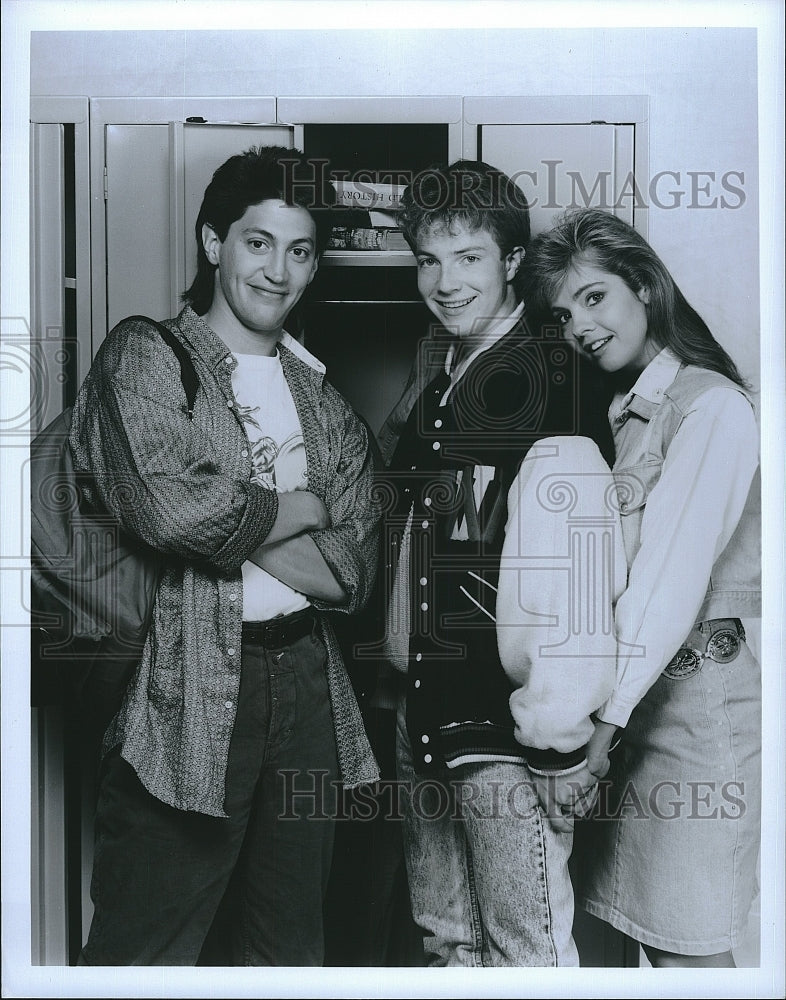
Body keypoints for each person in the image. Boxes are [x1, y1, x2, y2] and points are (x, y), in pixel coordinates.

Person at [68, 145, 380, 966]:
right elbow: (165, 510)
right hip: (187, 678)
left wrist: (232, 513)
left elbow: (353, 574)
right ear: (213, 243)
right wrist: (294, 509)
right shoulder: (146, 355)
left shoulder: (324, 401)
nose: (278, 270)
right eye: (257, 242)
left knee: (288, 949)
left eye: (300, 249)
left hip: (307, 685)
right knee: (147, 945)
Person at [377, 160, 621, 967]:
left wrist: (558, 744)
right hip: (428, 715)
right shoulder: (439, 379)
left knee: (529, 954)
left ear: (512, 260)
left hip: (510, 735)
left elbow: (581, 576)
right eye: (427, 260)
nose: (444, 283)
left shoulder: (559, 380)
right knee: (449, 945)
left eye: (468, 257)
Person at [522, 207, 761, 968]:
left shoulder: (711, 406)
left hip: (689, 720)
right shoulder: (624, 417)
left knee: (690, 950)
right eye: (563, 313)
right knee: (624, 948)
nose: (578, 327)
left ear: (646, 287)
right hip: (632, 717)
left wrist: (596, 740)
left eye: (593, 298)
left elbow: (665, 586)